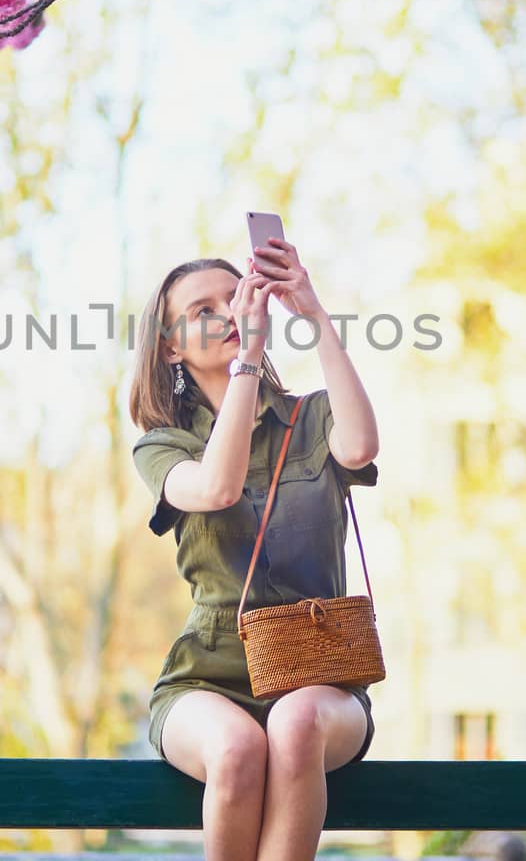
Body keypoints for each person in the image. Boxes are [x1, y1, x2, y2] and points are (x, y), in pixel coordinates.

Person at [127, 236, 382, 861]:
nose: (226, 316)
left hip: (322, 676)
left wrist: (312, 312)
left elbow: (359, 449)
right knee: (238, 750)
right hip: (207, 679)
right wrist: (249, 363)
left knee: (294, 726)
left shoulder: (310, 417)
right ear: (170, 347)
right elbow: (215, 487)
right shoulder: (163, 445)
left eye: (233, 298)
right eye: (202, 311)